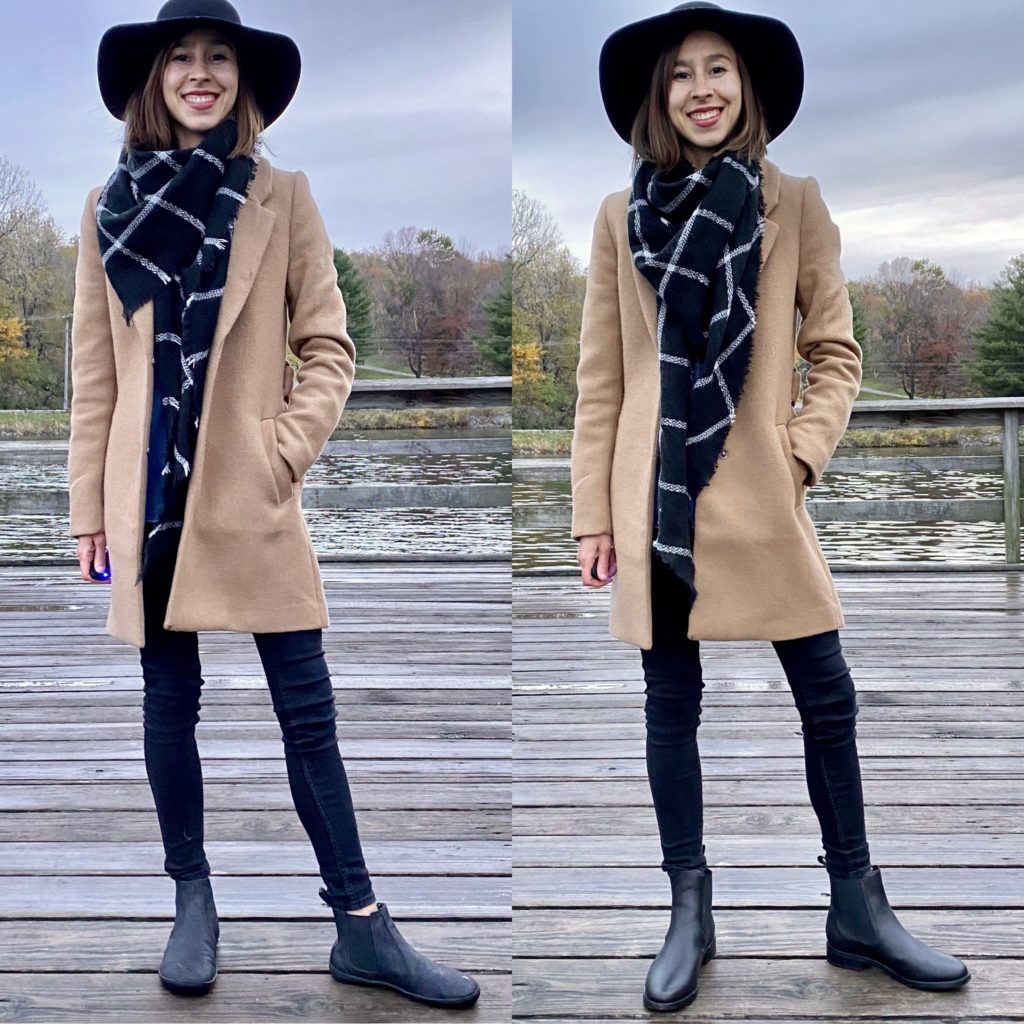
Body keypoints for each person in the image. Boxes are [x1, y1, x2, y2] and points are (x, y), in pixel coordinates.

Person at [67, 0, 480, 1009]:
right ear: (152, 81)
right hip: (147, 495)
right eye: (181, 58)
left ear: (241, 81)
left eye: (218, 58)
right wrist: (88, 508)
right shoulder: (105, 207)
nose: (200, 73)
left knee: (308, 709)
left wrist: (276, 453)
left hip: (249, 493)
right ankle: (193, 903)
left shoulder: (280, 194)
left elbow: (329, 348)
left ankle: (361, 925)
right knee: (171, 701)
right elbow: (94, 374)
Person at [571, 1, 970, 1011]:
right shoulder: (620, 217)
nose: (701, 87)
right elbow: (600, 381)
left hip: (760, 489)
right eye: (680, 74)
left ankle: (856, 906)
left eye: (720, 69)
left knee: (825, 693)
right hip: (653, 496)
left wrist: (795, 458)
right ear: (658, 100)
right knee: (671, 704)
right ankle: (689, 913)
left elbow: (835, 354)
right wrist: (588, 512)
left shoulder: (795, 202)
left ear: (746, 89)